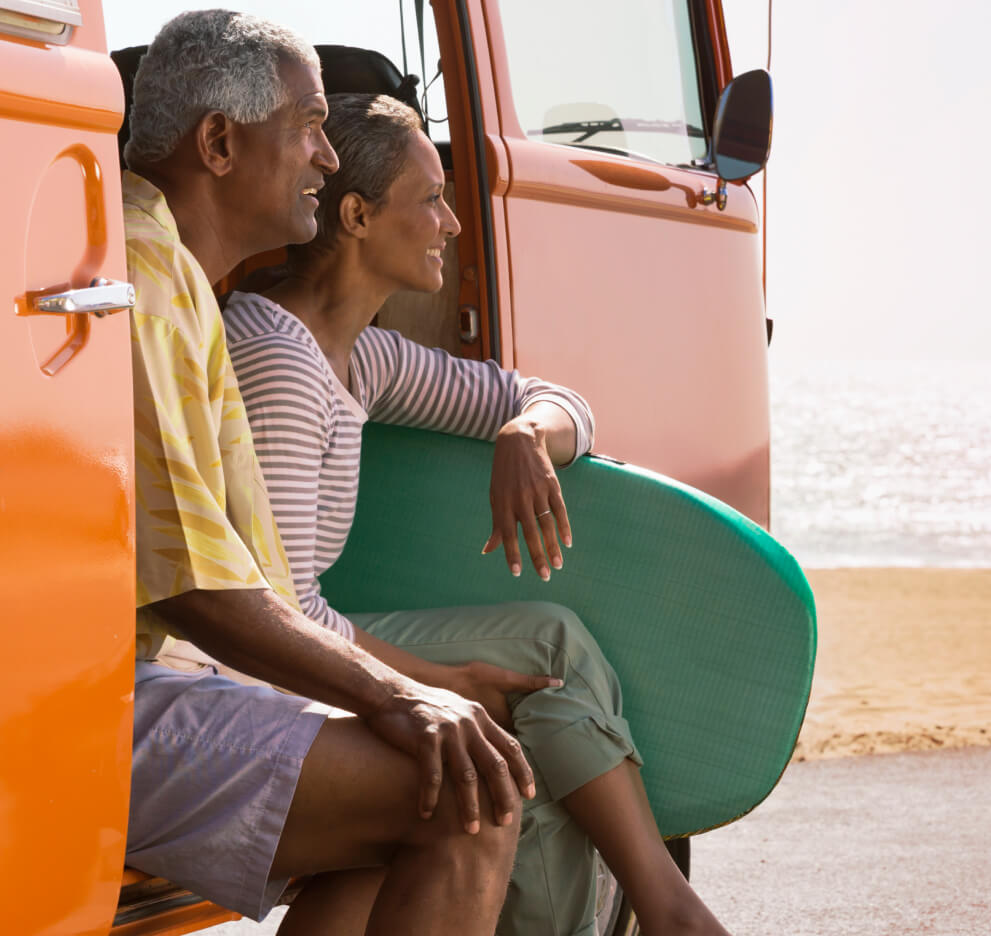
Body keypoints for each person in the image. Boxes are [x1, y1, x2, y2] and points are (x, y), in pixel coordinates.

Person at [210, 93, 732, 936]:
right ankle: (657, 905)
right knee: (527, 687)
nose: (452, 223)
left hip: (305, 641)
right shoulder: (279, 366)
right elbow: (276, 619)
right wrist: (438, 686)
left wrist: (527, 432)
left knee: (541, 671)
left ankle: (657, 905)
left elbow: (554, 399)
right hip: (245, 672)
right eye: (431, 199)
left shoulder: (360, 355)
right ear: (355, 216)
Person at [120, 14, 545, 935]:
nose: (325, 157)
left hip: (148, 681)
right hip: (99, 701)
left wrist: (405, 694)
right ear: (221, 143)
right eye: (308, 127)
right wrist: (406, 693)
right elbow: (202, 592)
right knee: (475, 792)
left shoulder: (178, 273)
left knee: (435, 787)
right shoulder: (148, 276)